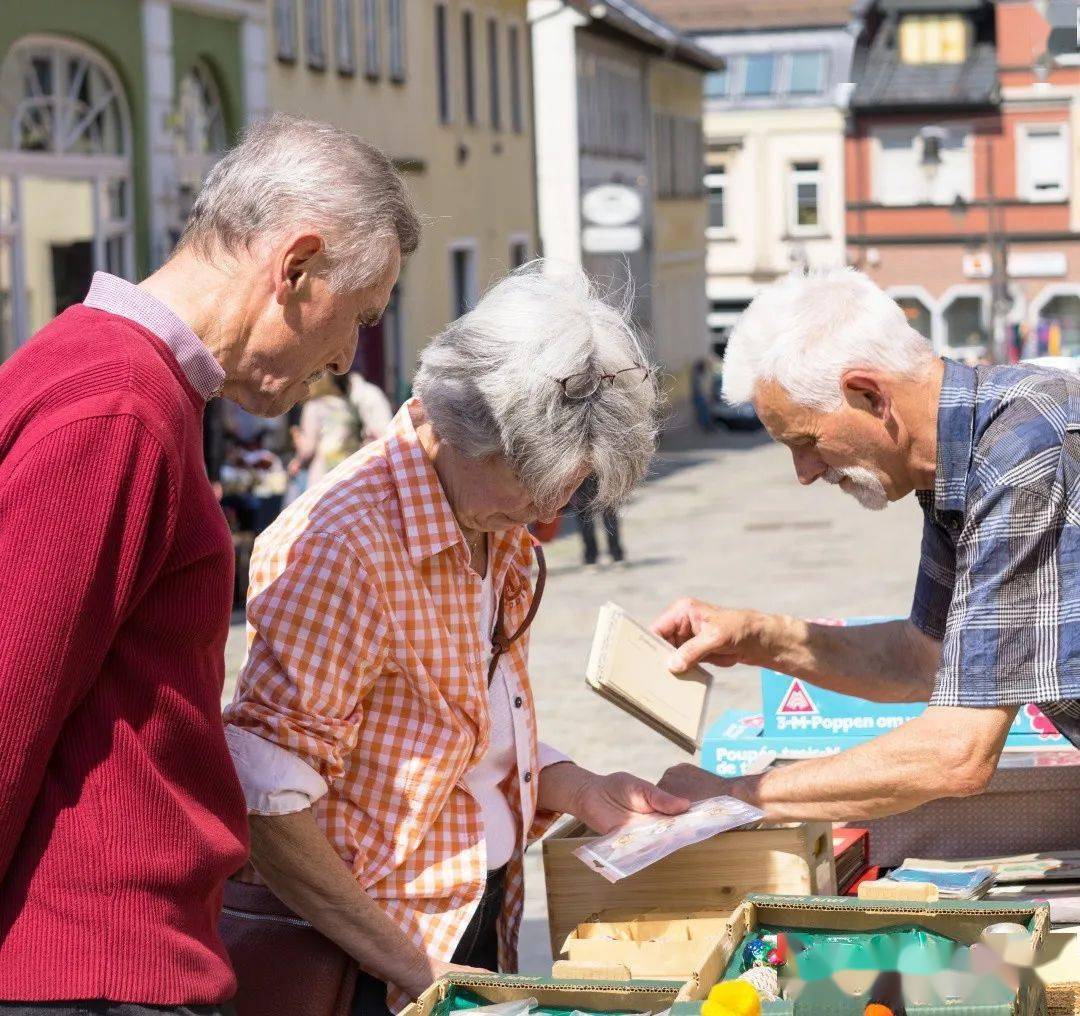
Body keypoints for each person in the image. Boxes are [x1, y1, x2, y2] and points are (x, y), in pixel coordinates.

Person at [0, 113, 419, 1016]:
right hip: (84, 974)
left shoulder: (127, 384)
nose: (347, 357)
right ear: (295, 267)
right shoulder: (117, 403)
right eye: (358, 318)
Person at [223, 263, 688, 1015]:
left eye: (573, 485)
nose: (551, 506)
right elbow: (269, 804)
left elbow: (454, 738)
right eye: (535, 480)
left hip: (469, 921)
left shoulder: (491, 521)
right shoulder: (341, 545)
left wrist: (579, 787)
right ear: (458, 424)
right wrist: (411, 970)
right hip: (366, 953)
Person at [651, 267, 1080, 822]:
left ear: (870, 395)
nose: (804, 473)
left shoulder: (1021, 454)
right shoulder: (957, 459)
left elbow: (958, 753)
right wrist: (759, 638)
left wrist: (734, 797)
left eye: (805, 441)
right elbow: (924, 662)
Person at [289, 372, 364, 488]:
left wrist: (296, 436)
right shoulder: (347, 404)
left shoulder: (314, 407)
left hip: (323, 476)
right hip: (350, 472)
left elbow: (308, 450)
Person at [570, 473, 625, 568]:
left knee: (609, 516)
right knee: (585, 520)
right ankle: (591, 557)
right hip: (580, 476)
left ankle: (616, 554)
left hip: (604, 473)